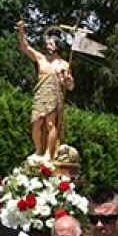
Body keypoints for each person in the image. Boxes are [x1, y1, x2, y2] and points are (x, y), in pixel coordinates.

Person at [17, 20, 75, 159]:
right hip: (40, 94)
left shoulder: (64, 64)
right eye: (47, 44)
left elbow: (71, 87)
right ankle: (38, 151)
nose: (47, 46)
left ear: (57, 46)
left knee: (50, 124)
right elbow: (25, 47)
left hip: (54, 97)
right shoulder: (41, 59)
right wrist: (21, 31)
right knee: (36, 123)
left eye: (50, 44)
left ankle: (49, 153)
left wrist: (68, 80)